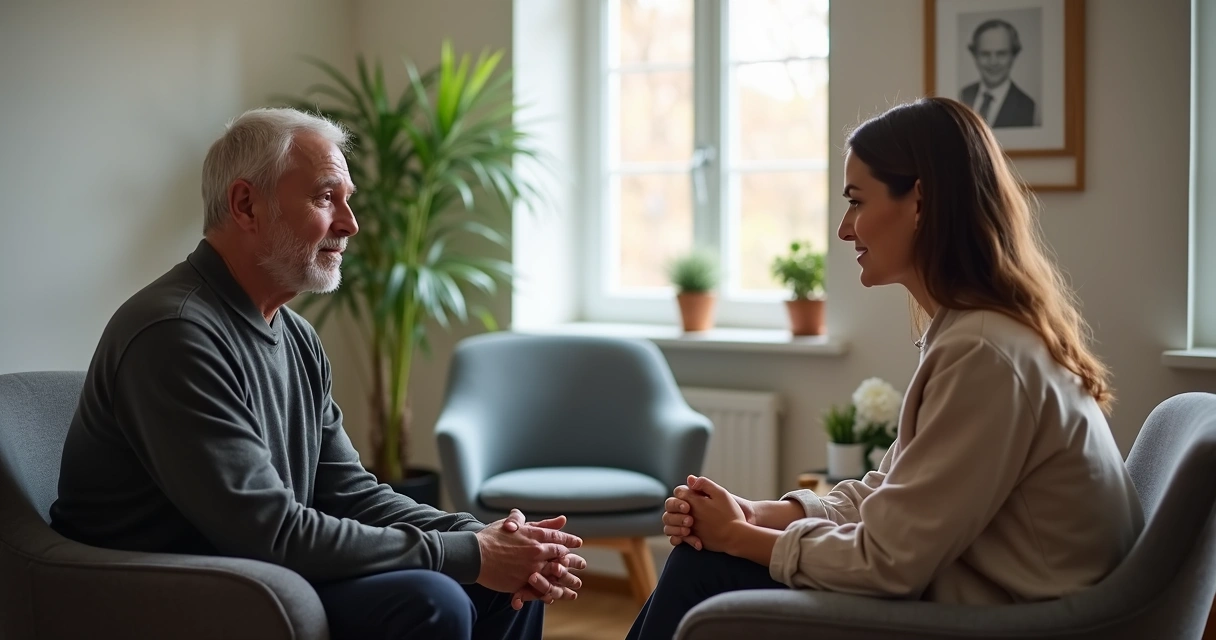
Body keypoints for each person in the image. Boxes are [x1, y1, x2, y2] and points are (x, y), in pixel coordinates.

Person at [49, 107, 586, 640]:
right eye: (326, 197)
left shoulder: (297, 337)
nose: (350, 224)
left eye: (347, 201)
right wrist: (471, 553)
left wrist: (497, 541)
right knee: (434, 599)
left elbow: (349, 492)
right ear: (245, 205)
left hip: (260, 570)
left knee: (510, 583)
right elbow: (269, 531)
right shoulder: (175, 333)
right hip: (174, 589)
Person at [626, 97, 1144, 639]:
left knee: (703, 566)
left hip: (1021, 623)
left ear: (919, 200)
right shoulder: (978, 334)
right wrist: (758, 514)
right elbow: (891, 494)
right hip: (985, 601)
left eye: (856, 202)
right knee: (704, 561)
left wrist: (735, 536)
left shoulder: (984, 353)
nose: (844, 230)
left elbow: (888, 561)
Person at [959, 18, 1039, 127]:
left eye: (1001, 54)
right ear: (975, 56)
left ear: (1013, 56)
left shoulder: (1028, 107)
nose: (993, 62)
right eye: (985, 54)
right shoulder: (963, 95)